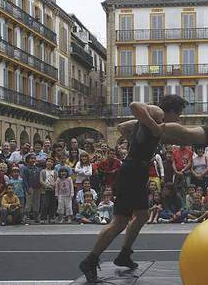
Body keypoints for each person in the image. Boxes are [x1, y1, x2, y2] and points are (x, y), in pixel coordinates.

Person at [79, 95, 187, 283]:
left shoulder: (151, 119)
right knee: (120, 222)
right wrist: (154, 129)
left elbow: (123, 128)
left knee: (142, 215)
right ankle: (90, 260)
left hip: (136, 169)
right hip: (133, 170)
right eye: (178, 115)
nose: (178, 120)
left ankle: (124, 254)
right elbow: (134, 105)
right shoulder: (158, 113)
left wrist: (139, 142)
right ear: (171, 110)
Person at [23, 153, 42, 224]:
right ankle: (26, 217)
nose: (33, 160)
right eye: (31, 158)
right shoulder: (25, 169)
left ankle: (36, 216)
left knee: (36, 202)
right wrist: (27, 188)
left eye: (34, 158)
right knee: (28, 203)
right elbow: (24, 179)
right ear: (28, 160)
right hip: (30, 187)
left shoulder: (38, 169)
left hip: (37, 188)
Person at [40, 158, 58, 224]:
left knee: (52, 204)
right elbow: (41, 180)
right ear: (46, 163)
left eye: (51, 162)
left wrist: (53, 185)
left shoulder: (55, 171)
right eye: (48, 161)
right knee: (45, 204)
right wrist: (47, 186)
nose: (49, 163)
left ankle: (51, 217)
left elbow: (57, 180)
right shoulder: (43, 171)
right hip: (45, 190)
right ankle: (43, 217)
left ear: (53, 164)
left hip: (53, 189)